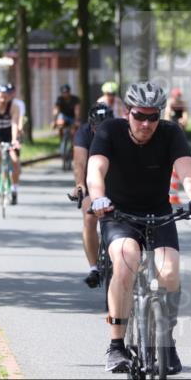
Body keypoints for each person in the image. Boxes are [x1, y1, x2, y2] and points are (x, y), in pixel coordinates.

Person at [87, 81, 191, 374]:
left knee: (168, 272)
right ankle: (117, 346)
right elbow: (96, 170)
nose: (146, 123)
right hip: (117, 214)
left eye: (153, 116)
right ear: (127, 112)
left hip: (159, 214)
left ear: (161, 115)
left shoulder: (171, 133)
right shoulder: (109, 131)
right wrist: (98, 198)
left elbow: (186, 172)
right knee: (126, 260)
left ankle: (166, 342)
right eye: (139, 115)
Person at [72, 103, 114, 288]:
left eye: (106, 126)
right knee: (89, 218)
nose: (102, 131)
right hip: (91, 180)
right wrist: (80, 184)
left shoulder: (122, 130)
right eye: (98, 128)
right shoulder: (83, 133)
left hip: (116, 181)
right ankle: (94, 268)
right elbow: (80, 162)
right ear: (91, 125)